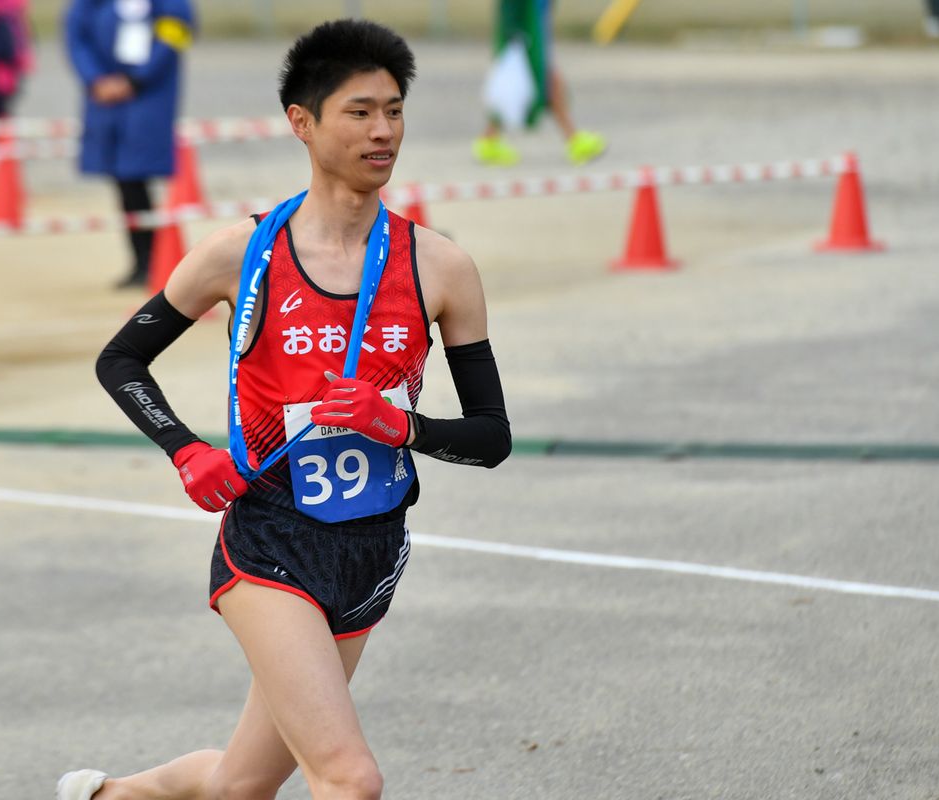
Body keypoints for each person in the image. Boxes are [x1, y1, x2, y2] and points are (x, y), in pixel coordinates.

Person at [64, 18, 512, 800]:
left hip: (373, 548)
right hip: (269, 540)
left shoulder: (440, 267)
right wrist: (185, 449)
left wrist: (401, 425)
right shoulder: (245, 253)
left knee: (241, 786)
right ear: (301, 122)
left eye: (395, 110)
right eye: (361, 111)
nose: (384, 131)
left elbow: (493, 438)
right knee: (349, 778)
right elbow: (121, 360)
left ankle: (110, 796)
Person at [64, 0, 195, 289]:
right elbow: (77, 37)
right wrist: (96, 79)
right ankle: (141, 260)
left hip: (149, 95)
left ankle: (156, 261)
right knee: (123, 179)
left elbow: (177, 33)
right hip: (105, 97)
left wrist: (136, 80)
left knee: (139, 174)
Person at [474, 0, 606, 167]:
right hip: (523, 33)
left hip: (532, 28)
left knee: (547, 81)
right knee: (542, 81)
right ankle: (573, 139)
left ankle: (489, 138)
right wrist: (514, 32)